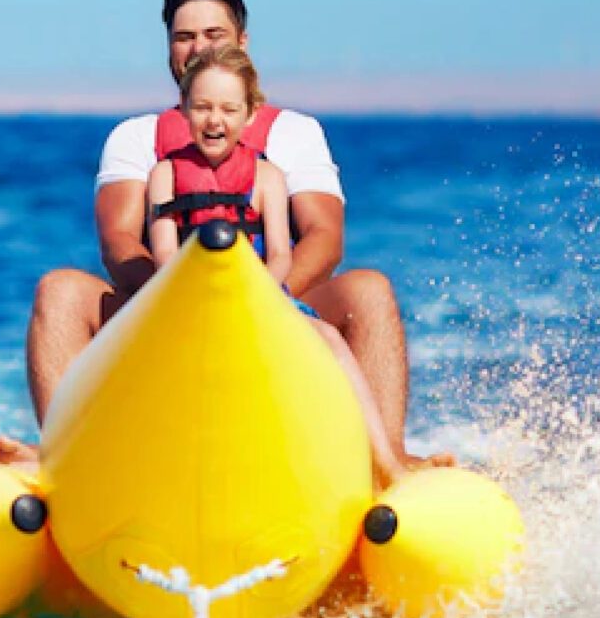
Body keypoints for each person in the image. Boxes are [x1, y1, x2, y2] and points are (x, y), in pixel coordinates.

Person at [0, 0, 451, 474]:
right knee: (59, 289)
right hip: (163, 305)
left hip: (278, 305)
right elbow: (119, 240)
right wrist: (183, 298)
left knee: (369, 289)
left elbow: (324, 236)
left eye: (213, 34)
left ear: (242, 42)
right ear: (168, 47)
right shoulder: (137, 137)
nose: (197, 48)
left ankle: (385, 460)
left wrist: (255, 304)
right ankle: (62, 459)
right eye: (184, 37)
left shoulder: (294, 135)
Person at [146, 44, 412, 483]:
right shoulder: (165, 176)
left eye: (229, 109)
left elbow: (281, 254)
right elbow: (164, 254)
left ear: (250, 115)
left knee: (327, 336)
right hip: (184, 299)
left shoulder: (268, 176)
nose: (215, 120)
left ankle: (384, 462)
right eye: (203, 107)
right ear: (184, 112)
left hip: (261, 299)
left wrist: (258, 296)